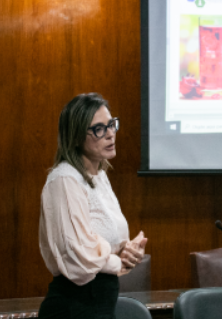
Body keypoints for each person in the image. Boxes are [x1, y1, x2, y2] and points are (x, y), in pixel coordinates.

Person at [38, 93, 148, 319]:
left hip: (99, 304)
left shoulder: (99, 176)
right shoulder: (65, 179)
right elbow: (79, 257)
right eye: (99, 129)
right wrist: (119, 261)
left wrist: (127, 251)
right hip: (74, 307)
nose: (110, 134)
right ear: (76, 137)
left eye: (111, 124)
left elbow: (99, 243)